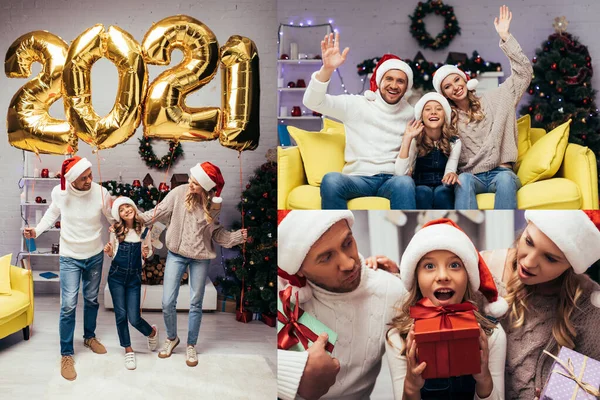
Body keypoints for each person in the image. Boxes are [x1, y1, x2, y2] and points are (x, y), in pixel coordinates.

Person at [277, 210, 406, 400]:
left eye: (347, 243)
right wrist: (291, 372)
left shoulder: (392, 291)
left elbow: (405, 378)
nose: (348, 263)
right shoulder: (284, 297)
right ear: (300, 268)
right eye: (326, 257)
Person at [481, 210, 600, 399]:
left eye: (550, 258)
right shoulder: (483, 270)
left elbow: (591, 388)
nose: (528, 262)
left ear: (571, 264)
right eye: (528, 242)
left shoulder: (590, 304)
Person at [139, 162, 247, 367]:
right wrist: (134, 219)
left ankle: (191, 344)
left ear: (206, 187)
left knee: (196, 303)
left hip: (200, 257)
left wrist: (235, 238)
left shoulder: (213, 205)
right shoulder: (178, 193)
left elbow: (215, 232)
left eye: (195, 183)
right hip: (176, 254)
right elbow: (156, 213)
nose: (190, 183)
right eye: (191, 179)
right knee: (167, 301)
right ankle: (172, 338)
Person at [384, 218, 507, 399]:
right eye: (429, 266)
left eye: (455, 265)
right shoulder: (398, 339)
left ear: (468, 276)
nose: (443, 276)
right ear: (416, 277)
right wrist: (411, 387)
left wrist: (484, 380)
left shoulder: (492, 335)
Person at [23, 156, 114, 381]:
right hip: (70, 258)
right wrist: (37, 231)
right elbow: (51, 215)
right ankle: (66, 353)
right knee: (68, 305)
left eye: (90, 174)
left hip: (94, 255)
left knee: (92, 299)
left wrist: (114, 241)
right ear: (72, 180)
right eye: (83, 177)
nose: (89, 180)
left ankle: (89, 337)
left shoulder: (101, 193)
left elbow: (114, 221)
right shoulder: (60, 194)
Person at [432, 5, 532, 209]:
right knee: (465, 181)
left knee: (505, 180)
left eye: (456, 80)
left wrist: (506, 37)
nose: (455, 88)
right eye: (447, 87)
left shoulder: (497, 98)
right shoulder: (447, 118)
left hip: (501, 172)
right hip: (470, 176)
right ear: (444, 95)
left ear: (465, 80)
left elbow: (524, 74)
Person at [303, 32, 415, 209]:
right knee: (331, 180)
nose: (394, 86)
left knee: (405, 183)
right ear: (379, 81)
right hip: (358, 178)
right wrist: (327, 69)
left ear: (406, 87)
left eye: (400, 81)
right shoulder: (357, 105)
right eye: (389, 79)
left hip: (392, 180)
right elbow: (312, 102)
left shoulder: (412, 114)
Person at [104, 196, 159, 370]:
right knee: (121, 315)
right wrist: (109, 251)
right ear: (118, 215)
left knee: (134, 318)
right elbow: (113, 254)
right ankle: (128, 349)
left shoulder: (144, 231)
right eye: (121, 209)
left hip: (134, 278)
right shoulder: (115, 231)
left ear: (134, 208)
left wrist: (146, 253)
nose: (126, 210)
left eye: (128, 206)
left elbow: (149, 253)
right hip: (116, 277)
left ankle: (151, 332)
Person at [396, 92, 461, 209]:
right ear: (421, 116)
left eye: (438, 109)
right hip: (420, 185)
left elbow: (450, 170)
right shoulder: (415, 140)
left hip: (443, 184)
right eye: (428, 109)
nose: (433, 112)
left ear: (445, 115)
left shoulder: (454, 142)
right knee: (422, 192)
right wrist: (407, 139)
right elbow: (400, 173)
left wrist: (451, 174)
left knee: (442, 193)